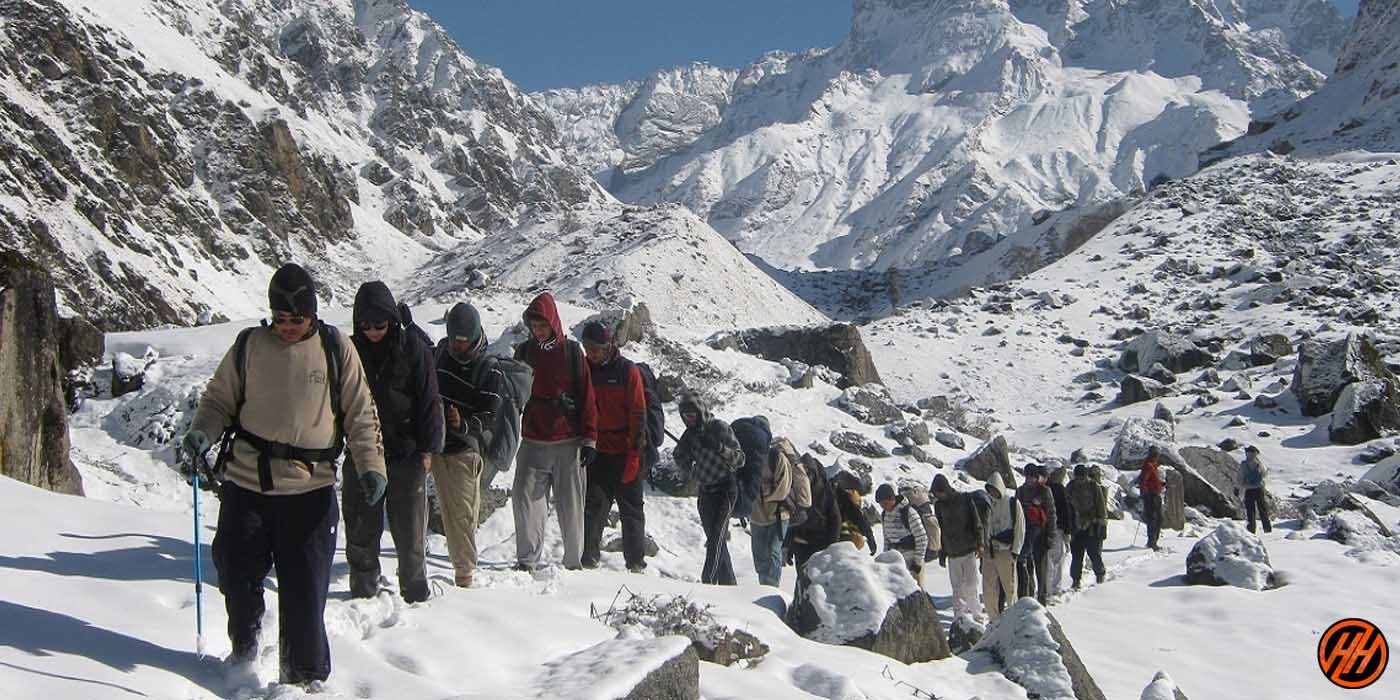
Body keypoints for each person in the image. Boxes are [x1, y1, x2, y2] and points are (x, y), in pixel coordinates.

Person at [181, 263, 385, 686]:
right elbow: (219, 399)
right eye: (280, 318)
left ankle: (305, 680)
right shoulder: (250, 345)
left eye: (296, 319)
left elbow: (361, 414)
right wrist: (203, 430)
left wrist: (371, 465)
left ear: (311, 313)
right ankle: (245, 646)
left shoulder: (335, 347)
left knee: (304, 592)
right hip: (247, 483)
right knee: (235, 569)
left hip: (310, 488)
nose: (287, 327)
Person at [342, 282, 443, 603]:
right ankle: (363, 591)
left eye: (379, 324)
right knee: (360, 529)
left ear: (392, 320)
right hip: (362, 451)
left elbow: (429, 401)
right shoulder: (349, 351)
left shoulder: (413, 348)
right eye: (365, 325)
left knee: (410, 532)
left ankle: (414, 593)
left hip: (406, 453)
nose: (372, 331)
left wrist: (427, 450)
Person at [512, 293, 598, 571]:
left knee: (571, 506)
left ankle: (573, 563)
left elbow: (587, 397)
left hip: (568, 441)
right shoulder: (523, 353)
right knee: (524, 501)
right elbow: (513, 394)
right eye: (534, 325)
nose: (538, 330)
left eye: (542, 325)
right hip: (533, 439)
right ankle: (527, 561)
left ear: (553, 322)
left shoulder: (572, 353)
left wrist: (589, 439)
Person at [433, 302, 508, 587]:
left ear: (476, 337)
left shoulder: (490, 369)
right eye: (454, 341)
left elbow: (489, 416)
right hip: (432, 445)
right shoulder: (441, 352)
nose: (457, 347)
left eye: (463, 342)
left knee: (462, 518)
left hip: (464, 450)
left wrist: (462, 423)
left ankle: (465, 582)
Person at [578, 321, 649, 573]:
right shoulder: (585, 369)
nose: (591, 353)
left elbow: (639, 416)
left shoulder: (627, 372)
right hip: (597, 450)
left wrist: (634, 456)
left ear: (608, 346)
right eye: (587, 348)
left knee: (631, 509)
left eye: (596, 348)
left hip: (625, 450)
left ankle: (636, 563)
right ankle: (588, 558)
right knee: (594, 505)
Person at [672, 392, 744, 585]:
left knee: (716, 538)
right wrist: (687, 462)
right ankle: (729, 586)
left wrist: (719, 448)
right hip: (705, 492)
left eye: (692, 414)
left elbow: (740, 458)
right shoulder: (689, 435)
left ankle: (708, 582)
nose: (689, 419)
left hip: (726, 489)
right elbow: (679, 457)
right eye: (685, 416)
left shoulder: (719, 428)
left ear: (701, 411)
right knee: (716, 540)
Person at [732, 416, 793, 587]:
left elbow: (784, 486)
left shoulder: (776, 457)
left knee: (773, 552)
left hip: (778, 514)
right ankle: (763, 586)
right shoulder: (747, 457)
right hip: (757, 515)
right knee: (759, 555)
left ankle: (771, 588)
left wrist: (762, 497)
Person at [931, 473, 988, 622]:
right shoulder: (938, 506)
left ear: (946, 488)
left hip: (968, 548)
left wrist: (980, 543)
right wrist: (942, 553)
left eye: (939, 492)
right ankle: (959, 615)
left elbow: (976, 522)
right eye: (936, 493)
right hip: (952, 551)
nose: (938, 496)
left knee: (971, 583)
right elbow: (941, 529)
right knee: (957, 586)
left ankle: (976, 612)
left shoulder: (965, 499)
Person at [784, 454, 841, 601]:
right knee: (801, 581)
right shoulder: (796, 490)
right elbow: (792, 521)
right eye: (804, 473)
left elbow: (835, 520)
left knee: (818, 584)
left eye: (808, 473)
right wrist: (788, 547)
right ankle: (799, 610)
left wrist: (831, 547)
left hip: (819, 546)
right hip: (800, 544)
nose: (806, 477)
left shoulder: (825, 492)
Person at [982, 471, 1023, 622]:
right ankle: (994, 619)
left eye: (994, 488)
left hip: (1006, 552)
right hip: (989, 551)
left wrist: (1015, 551)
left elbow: (1020, 528)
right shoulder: (987, 504)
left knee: (1010, 587)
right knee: (988, 588)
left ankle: (1013, 619)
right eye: (990, 488)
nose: (992, 491)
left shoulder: (1013, 503)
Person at [1015, 464, 1057, 604]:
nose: (1030, 480)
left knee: (1041, 567)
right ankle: (1029, 596)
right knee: (1027, 566)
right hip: (1024, 533)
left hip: (1042, 534)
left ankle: (1042, 598)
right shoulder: (1020, 491)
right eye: (1028, 477)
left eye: (1032, 477)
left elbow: (1051, 514)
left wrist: (1051, 535)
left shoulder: (1045, 491)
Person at [876, 483, 928, 582]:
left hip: (911, 560)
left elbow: (922, 537)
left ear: (892, 499)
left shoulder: (908, 513)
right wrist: (885, 558)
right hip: (895, 562)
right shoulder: (885, 515)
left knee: (917, 592)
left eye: (885, 503)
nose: (883, 507)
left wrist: (917, 562)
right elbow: (887, 540)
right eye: (881, 504)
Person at [1068, 464, 1107, 589]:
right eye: (1078, 478)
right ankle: (1076, 580)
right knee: (1076, 556)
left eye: (1082, 478)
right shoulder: (1070, 487)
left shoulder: (1094, 487)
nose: (1080, 480)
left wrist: (1101, 523)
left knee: (1094, 553)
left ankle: (1100, 575)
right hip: (1075, 526)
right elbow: (1066, 506)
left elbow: (1101, 506)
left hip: (1092, 526)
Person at [833, 470, 877, 555]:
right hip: (831, 535)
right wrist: (870, 537)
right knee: (857, 539)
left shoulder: (830, 492)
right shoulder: (847, 498)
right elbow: (859, 518)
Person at [1046, 466, 1072, 598]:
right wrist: (1067, 531)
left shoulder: (1042, 489)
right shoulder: (1059, 489)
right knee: (1058, 559)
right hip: (1058, 529)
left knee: (1047, 559)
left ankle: (1046, 588)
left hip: (1044, 529)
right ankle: (1055, 588)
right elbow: (1066, 511)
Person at [1238, 445, 1272, 534]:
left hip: (1249, 490)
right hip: (1259, 489)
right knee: (1262, 510)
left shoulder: (1244, 464)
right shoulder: (1258, 463)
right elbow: (1264, 475)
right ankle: (1267, 529)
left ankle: (1251, 530)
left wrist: (1239, 488)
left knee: (1250, 511)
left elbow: (1240, 478)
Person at [1137, 445, 1165, 551]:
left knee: (1157, 519)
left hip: (1155, 494)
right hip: (1151, 496)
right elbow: (1143, 481)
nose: (1157, 457)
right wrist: (1145, 494)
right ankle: (1152, 542)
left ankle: (1153, 541)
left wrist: (1161, 484)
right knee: (1153, 519)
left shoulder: (1152, 465)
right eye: (1156, 455)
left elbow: (1150, 481)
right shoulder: (1149, 465)